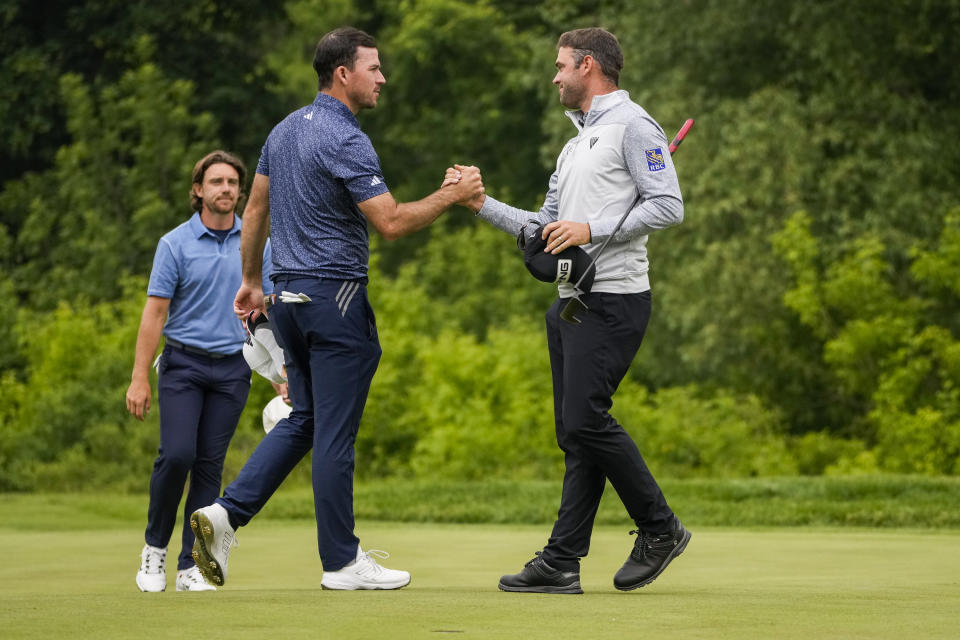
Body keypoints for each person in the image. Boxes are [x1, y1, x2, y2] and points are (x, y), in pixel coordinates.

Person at [189, 27, 483, 591]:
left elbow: (254, 212)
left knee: (306, 418)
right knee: (334, 435)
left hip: (288, 301)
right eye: (374, 68)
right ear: (343, 74)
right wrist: (453, 194)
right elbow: (391, 222)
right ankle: (342, 562)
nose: (382, 78)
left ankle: (225, 516)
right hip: (334, 301)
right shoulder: (347, 138)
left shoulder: (283, 131)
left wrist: (251, 281)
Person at [455, 27, 689, 594]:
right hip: (571, 305)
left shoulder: (635, 127)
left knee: (586, 420)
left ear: (588, 65)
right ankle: (562, 561)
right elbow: (544, 227)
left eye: (561, 66)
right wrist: (479, 203)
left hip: (615, 299)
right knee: (576, 434)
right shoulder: (575, 143)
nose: (555, 76)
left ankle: (660, 528)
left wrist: (593, 227)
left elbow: (668, 205)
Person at [126, 150, 277, 592]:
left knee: (209, 466)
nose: (226, 189)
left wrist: (279, 372)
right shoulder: (175, 243)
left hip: (234, 368)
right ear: (199, 190)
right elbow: (154, 314)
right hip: (183, 365)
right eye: (216, 182)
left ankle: (191, 566)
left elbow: (264, 315)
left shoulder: (255, 243)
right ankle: (153, 550)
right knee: (177, 455)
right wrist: (139, 377)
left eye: (233, 182)